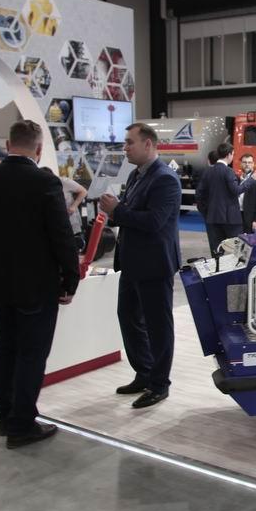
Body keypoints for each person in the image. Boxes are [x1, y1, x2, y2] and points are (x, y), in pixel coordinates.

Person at [0, 120, 79, 449]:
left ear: (7, 144)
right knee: (31, 353)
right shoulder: (44, 181)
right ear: (39, 149)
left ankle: (5, 415)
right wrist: (71, 278)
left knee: (5, 347)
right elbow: (61, 234)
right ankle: (22, 424)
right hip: (36, 283)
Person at [99, 123, 182, 409]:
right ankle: (144, 373)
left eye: (129, 142)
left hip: (154, 264)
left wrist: (117, 211)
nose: (125, 148)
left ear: (148, 144)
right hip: (132, 262)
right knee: (129, 318)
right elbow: (132, 213)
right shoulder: (137, 175)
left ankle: (159, 384)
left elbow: (154, 221)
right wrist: (117, 212)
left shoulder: (165, 179)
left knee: (158, 326)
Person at [202, 142, 256, 254]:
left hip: (212, 218)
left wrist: (206, 213)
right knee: (238, 251)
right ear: (229, 155)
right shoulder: (228, 171)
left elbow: (200, 195)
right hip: (230, 219)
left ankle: (218, 266)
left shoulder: (207, 172)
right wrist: (251, 180)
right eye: (233, 154)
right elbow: (236, 190)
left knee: (217, 252)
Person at [43, 167, 88, 248]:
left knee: (74, 246)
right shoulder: (44, 186)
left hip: (71, 221)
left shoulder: (64, 181)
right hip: (58, 224)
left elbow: (83, 191)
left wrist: (73, 206)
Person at [194, 149, 219, 255]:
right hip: (224, 212)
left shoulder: (202, 172)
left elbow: (199, 193)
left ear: (208, 160)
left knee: (213, 239)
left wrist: (202, 209)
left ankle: (216, 258)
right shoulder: (227, 171)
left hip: (208, 211)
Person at [238, 153, 256, 234]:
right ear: (241, 164)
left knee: (247, 240)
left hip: (250, 218)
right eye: (245, 162)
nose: (247, 165)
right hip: (237, 215)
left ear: (253, 164)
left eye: (249, 162)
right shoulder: (237, 178)